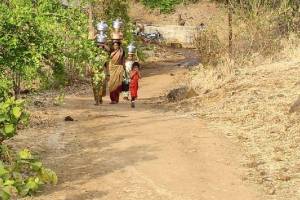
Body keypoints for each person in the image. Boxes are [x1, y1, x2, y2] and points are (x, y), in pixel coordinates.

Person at [100, 40, 125, 104]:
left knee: (117, 85)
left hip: (119, 69)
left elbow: (123, 60)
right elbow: (106, 48)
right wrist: (103, 44)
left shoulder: (121, 51)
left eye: (116, 45)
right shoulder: (111, 51)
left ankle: (116, 99)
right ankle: (112, 100)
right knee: (111, 85)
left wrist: (124, 69)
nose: (115, 46)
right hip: (111, 69)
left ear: (119, 46)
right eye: (114, 45)